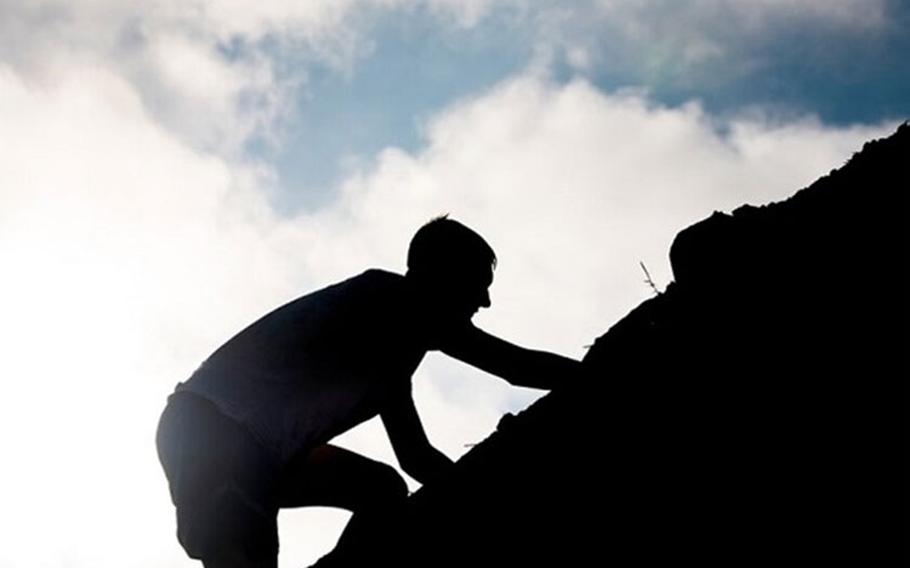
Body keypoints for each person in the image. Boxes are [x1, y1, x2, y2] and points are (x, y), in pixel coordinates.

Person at [156, 216, 582, 568]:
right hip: (213, 432)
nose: (485, 302)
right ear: (441, 276)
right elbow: (512, 365)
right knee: (239, 555)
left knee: (380, 490)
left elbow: (416, 457)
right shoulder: (388, 302)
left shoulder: (390, 345)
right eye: (476, 284)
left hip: (250, 448)